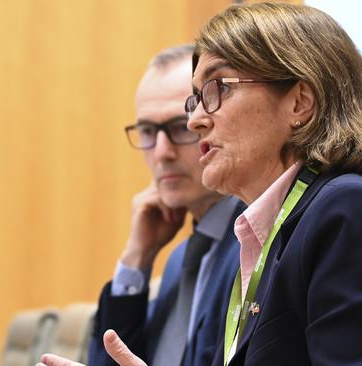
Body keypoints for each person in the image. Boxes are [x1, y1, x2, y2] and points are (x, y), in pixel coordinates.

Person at [39, 3, 362, 366]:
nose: (195, 120)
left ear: (299, 102)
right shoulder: (267, 235)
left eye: (217, 89)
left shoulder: (353, 213)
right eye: (195, 99)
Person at [86, 45, 242, 366]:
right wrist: (136, 260)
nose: (161, 153)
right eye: (147, 131)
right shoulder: (178, 261)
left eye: (177, 127)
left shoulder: (257, 241)